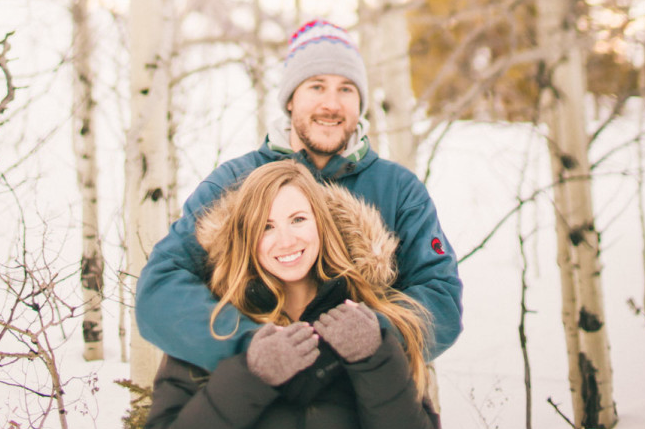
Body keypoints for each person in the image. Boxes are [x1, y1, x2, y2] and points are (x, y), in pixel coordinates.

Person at [135, 19, 463, 371]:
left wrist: (377, 335)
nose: (332, 105)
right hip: (258, 404)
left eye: (347, 89)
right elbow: (160, 288)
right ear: (290, 99)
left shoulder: (397, 189)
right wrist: (249, 345)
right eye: (317, 87)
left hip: (365, 403)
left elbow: (441, 299)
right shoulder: (234, 182)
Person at [143, 160, 441, 429]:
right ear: (246, 236)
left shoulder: (373, 317)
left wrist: (373, 359)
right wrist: (251, 375)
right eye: (266, 226)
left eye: (298, 219)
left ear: (321, 224)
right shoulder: (215, 326)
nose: (285, 240)